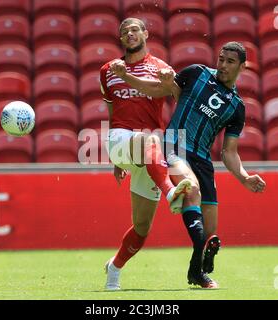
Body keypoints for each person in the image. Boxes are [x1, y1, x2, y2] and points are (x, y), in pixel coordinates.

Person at [109, 41, 267, 287]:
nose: (223, 65)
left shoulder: (237, 107)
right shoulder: (197, 73)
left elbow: (229, 152)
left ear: (242, 67)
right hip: (175, 146)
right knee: (189, 188)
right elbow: (159, 89)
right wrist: (129, 77)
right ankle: (197, 267)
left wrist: (244, 177)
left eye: (230, 61)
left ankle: (197, 269)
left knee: (209, 233)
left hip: (203, 159)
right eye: (221, 59)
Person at [100, 18, 198, 291]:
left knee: (141, 228)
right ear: (120, 39)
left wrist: (172, 85)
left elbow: (177, 96)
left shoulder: (162, 68)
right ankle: (170, 191)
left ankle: (114, 268)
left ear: (145, 33)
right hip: (121, 138)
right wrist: (117, 158)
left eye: (134, 30)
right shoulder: (107, 70)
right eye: (124, 32)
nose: (129, 34)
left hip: (151, 150)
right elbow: (112, 110)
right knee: (147, 139)